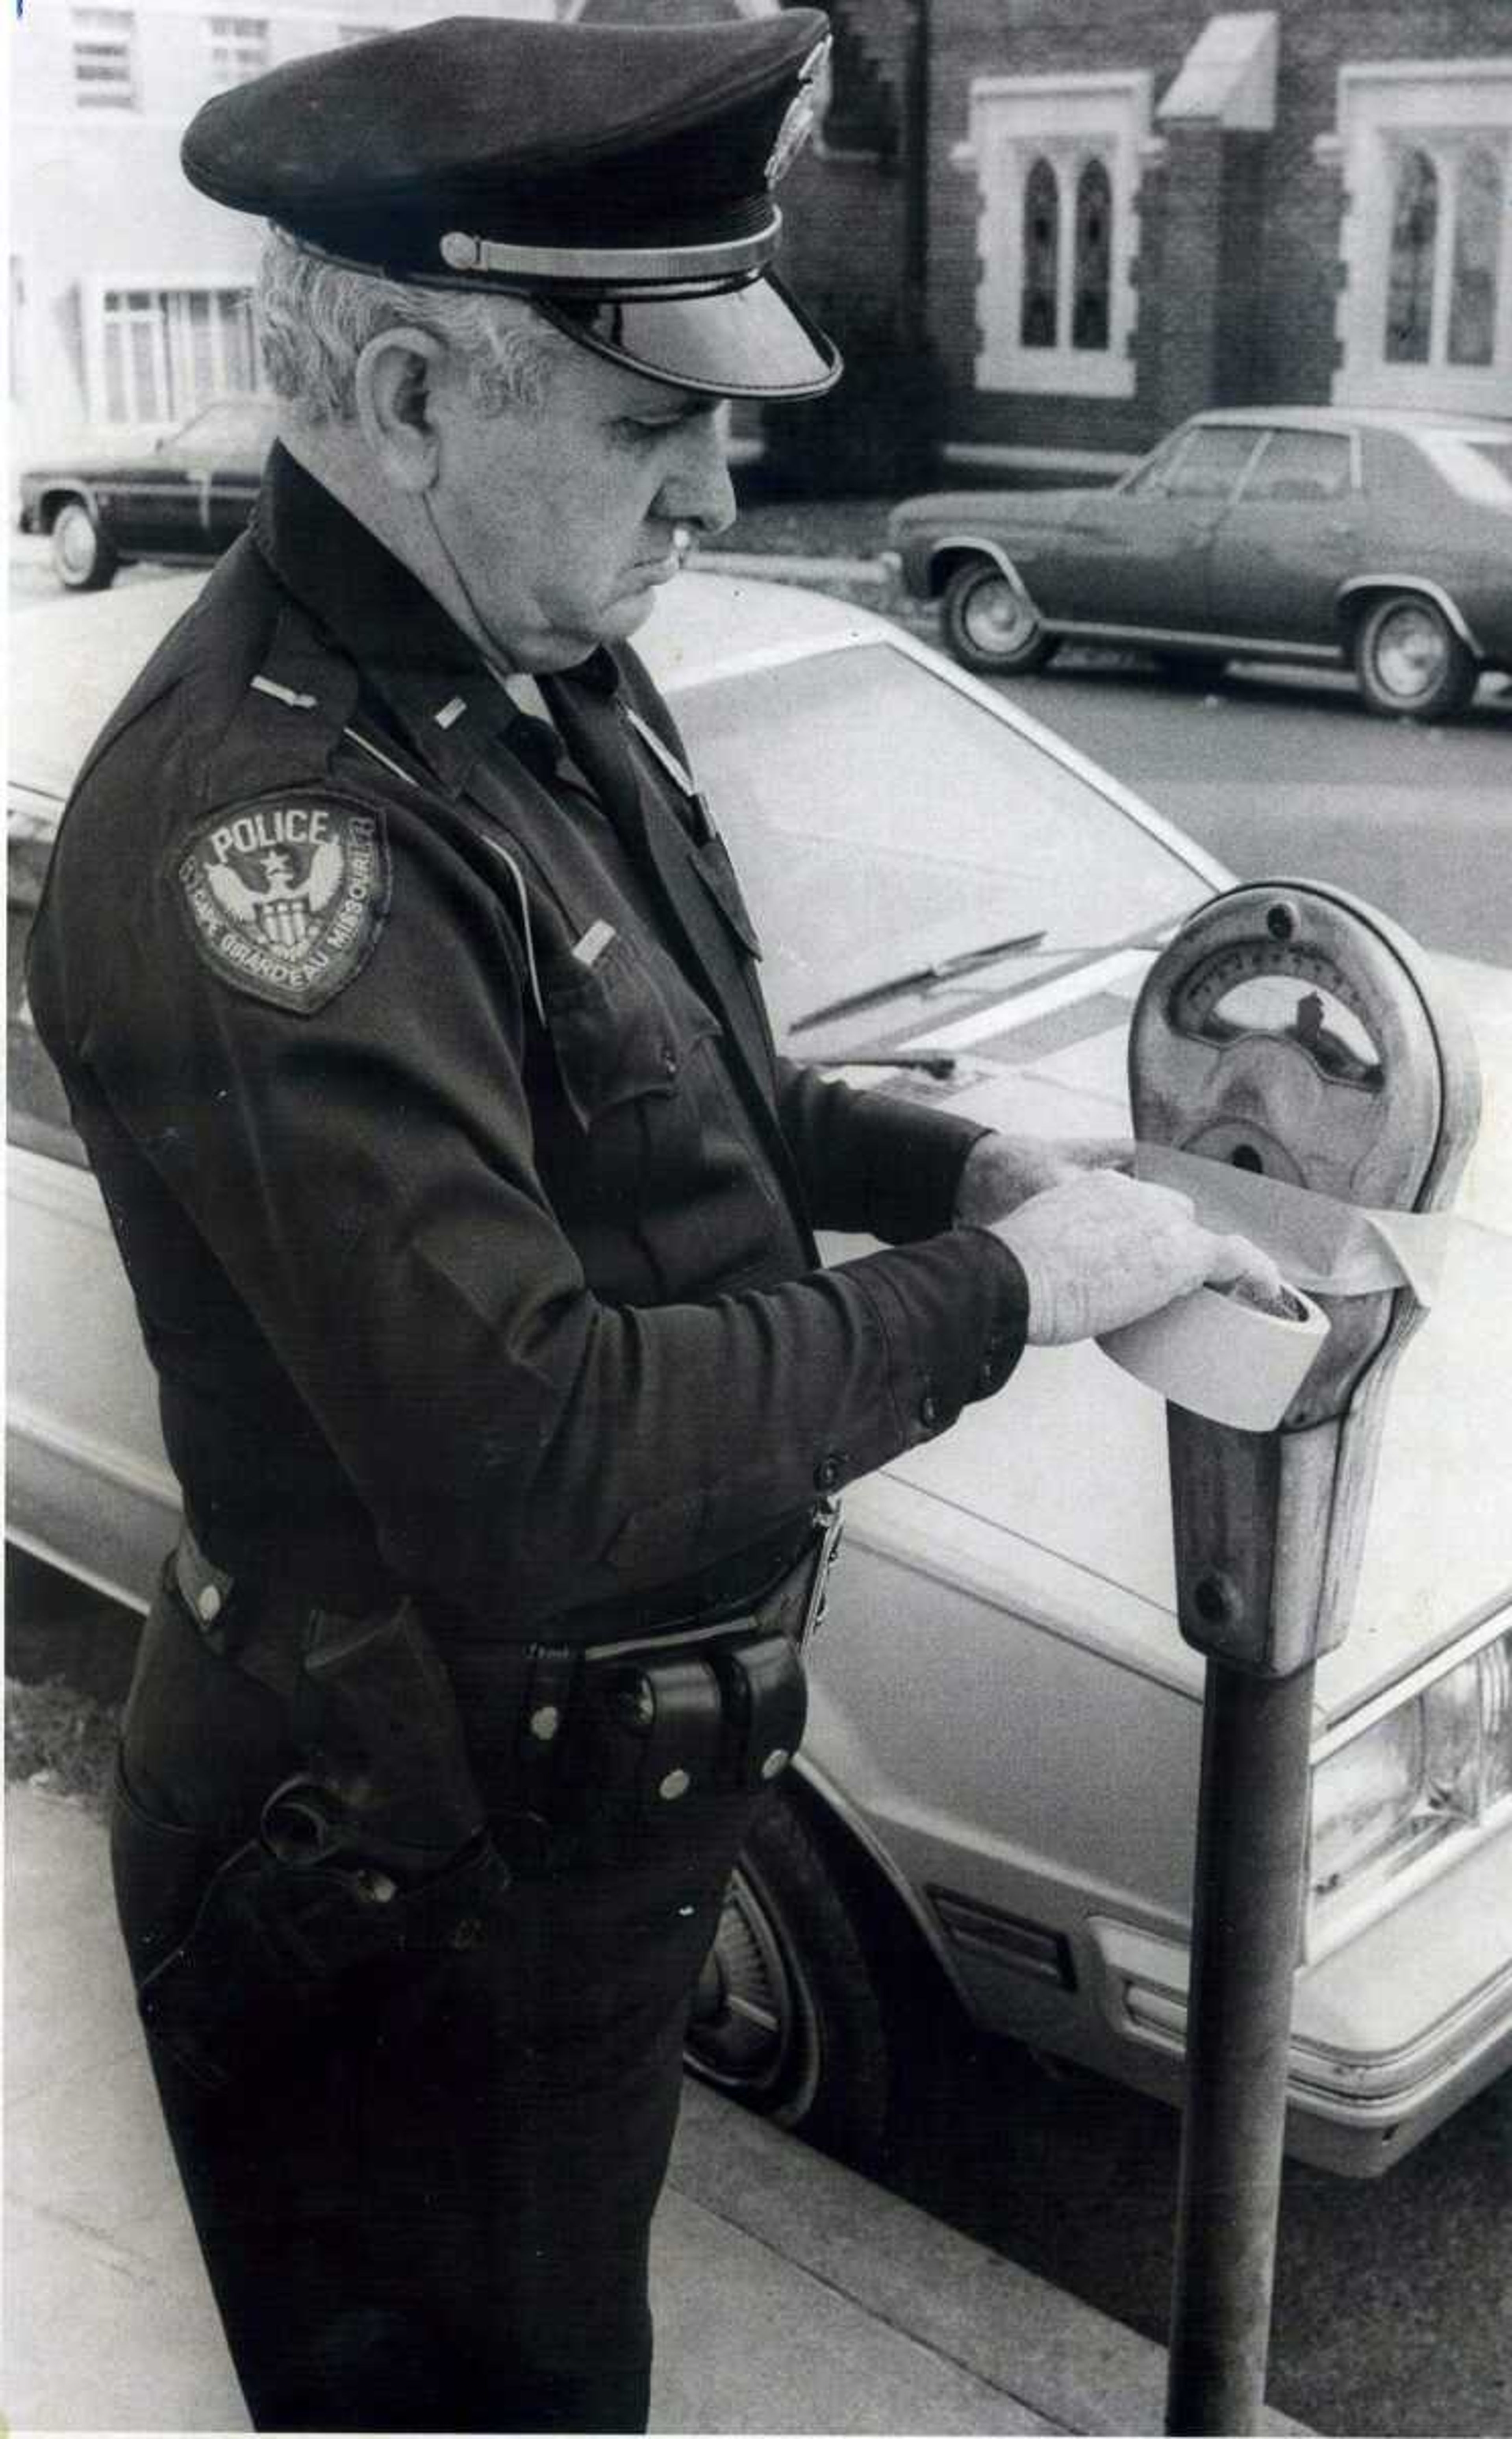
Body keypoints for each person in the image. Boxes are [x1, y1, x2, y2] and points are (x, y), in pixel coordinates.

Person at [27, 12, 1280, 2431]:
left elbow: (674, 1085)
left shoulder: (524, 660)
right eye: (651, 418)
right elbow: (537, 1453)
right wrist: (1017, 1290)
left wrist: (957, 1165)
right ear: (402, 390)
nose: (722, 483)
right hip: (404, 1880)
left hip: (551, 1837)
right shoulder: (269, 839)